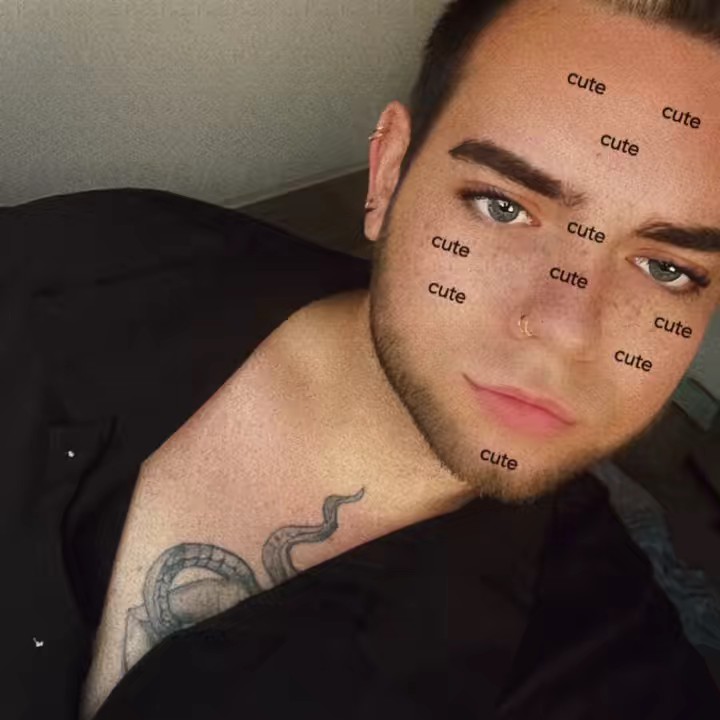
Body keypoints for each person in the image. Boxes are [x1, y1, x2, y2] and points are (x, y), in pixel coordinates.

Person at [3, 0, 720, 717]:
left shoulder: (612, 671)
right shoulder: (89, 259)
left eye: (668, 269)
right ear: (388, 174)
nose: (566, 330)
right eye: (502, 206)